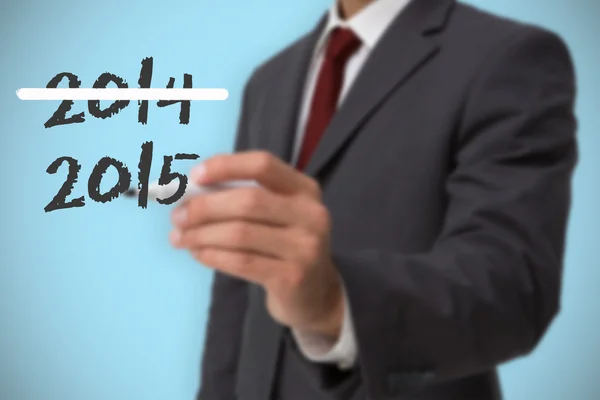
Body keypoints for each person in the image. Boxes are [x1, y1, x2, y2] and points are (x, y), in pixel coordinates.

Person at [169, 0, 578, 398]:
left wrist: (334, 303)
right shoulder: (268, 80)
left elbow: (510, 287)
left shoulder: (507, 55)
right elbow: (238, 291)